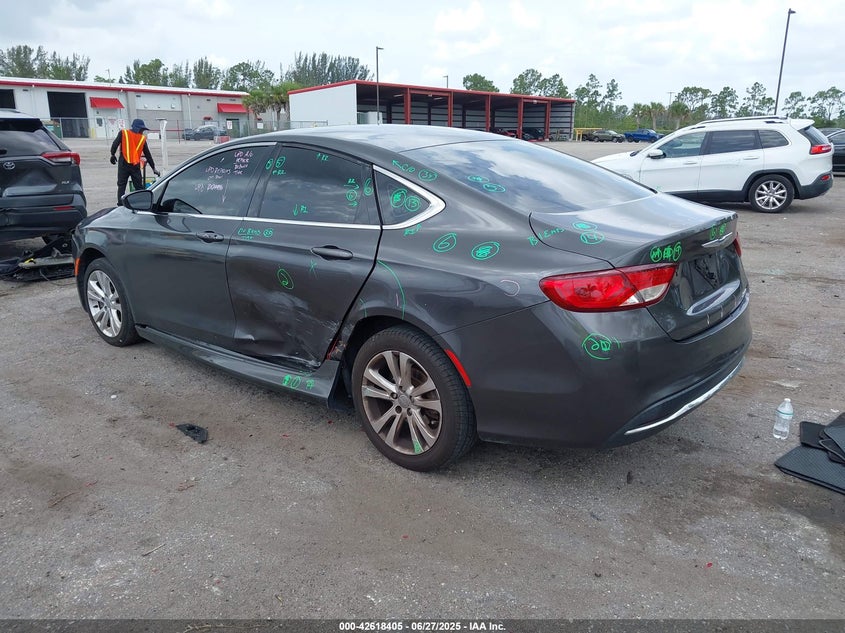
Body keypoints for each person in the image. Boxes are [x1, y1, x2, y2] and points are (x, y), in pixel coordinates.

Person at [109, 118, 161, 205]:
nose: (142, 131)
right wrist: (153, 168)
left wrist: (112, 154)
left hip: (123, 163)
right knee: (138, 187)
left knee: (121, 186)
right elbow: (148, 154)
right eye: (142, 129)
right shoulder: (142, 138)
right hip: (135, 166)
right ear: (139, 128)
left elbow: (115, 144)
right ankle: (141, 204)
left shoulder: (123, 133)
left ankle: (120, 204)